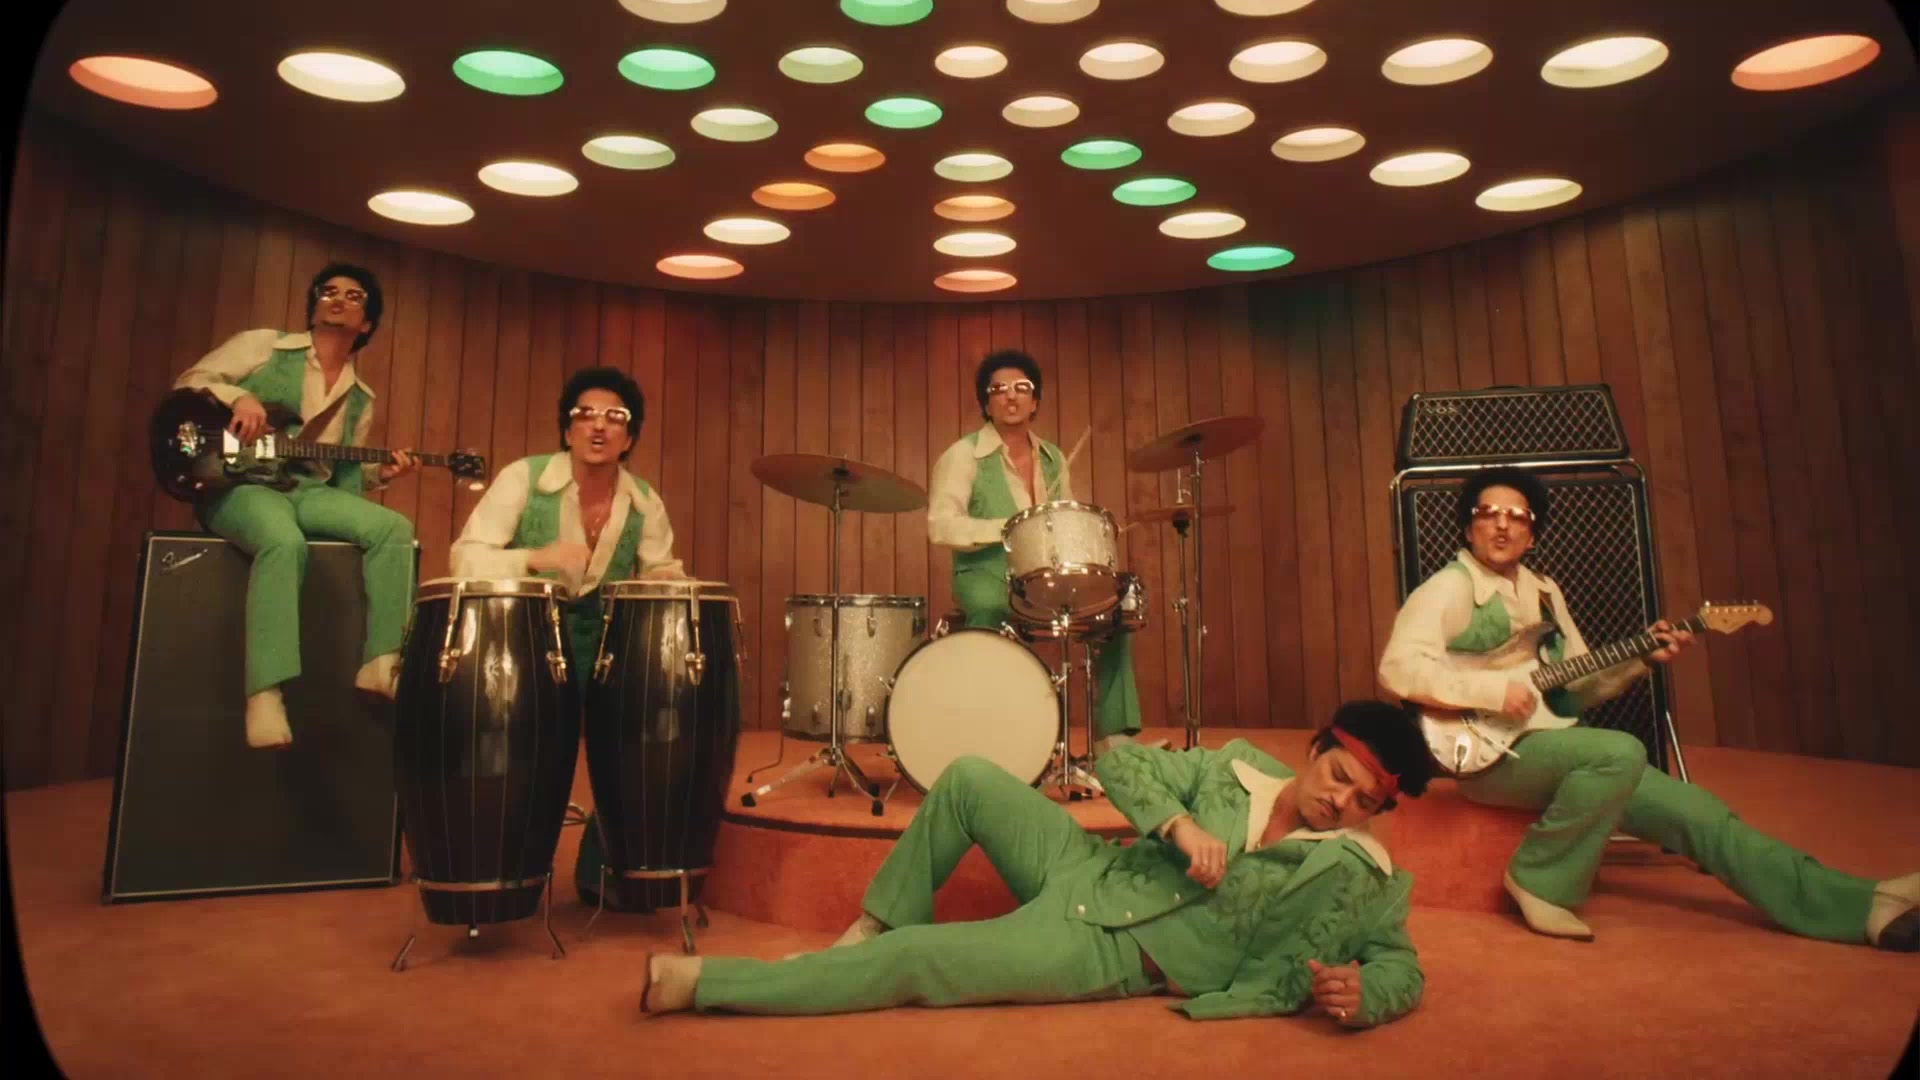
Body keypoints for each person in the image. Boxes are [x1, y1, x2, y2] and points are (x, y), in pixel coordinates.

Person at [1378, 465, 1917, 949]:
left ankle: (1862, 906)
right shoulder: (1446, 589)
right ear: (1468, 527)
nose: (1502, 525)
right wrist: (1492, 694)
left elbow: (1576, 687)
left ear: (1532, 533)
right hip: (1488, 758)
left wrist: (1641, 658)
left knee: (1700, 814)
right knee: (1620, 751)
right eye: (1488, 513)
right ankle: (1541, 879)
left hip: (1557, 747)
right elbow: (1398, 669)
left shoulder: (1545, 592)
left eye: (1517, 517)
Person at [639, 700, 1435, 1026]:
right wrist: (1180, 825)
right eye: (1338, 776)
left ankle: (706, 983)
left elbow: (1401, 964)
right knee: (967, 778)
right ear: (1318, 748)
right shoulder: (1236, 764)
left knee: (917, 961)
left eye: (1363, 800)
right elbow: (1121, 761)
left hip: (1113, 945)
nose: (1339, 802)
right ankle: (870, 930)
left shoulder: (1357, 872)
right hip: (1092, 864)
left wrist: (1367, 993)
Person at [450, 364, 685, 908]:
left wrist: (674, 583)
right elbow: (464, 558)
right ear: (566, 429)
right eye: (585, 415)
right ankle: (508, 876)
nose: (598, 426)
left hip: (608, 641)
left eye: (614, 417)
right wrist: (534, 558)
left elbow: (660, 571)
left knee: (642, 740)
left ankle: (604, 869)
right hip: (524, 641)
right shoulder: (523, 478)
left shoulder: (644, 500)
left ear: (630, 436)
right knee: (527, 756)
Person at [173, 263, 418, 749]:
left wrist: (380, 475)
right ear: (313, 306)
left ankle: (380, 661)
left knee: (395, 529)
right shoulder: (264, 345)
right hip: (239, 484)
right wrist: (240, 397)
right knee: (284, 542)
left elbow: (341, 472)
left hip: (308, 491)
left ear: (367, 323)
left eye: (353, 295)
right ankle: (265, 692)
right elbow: (190, 380)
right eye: (329, 291)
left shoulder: (360, 396)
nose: (338, 298)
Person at [926, 349, 1143, 757]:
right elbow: (941, 526)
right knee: (990, 606)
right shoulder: (963, 455)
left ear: (1035, 401)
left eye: (1021, 388)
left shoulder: (1053, 457)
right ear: (986, 402)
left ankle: (1115, 742)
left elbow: (1062, 523)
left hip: (1044, 575)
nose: (1011, 396)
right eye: (999, 389)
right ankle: (991, 739)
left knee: (1114, 608)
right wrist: (1008, 528)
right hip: (985, 576)